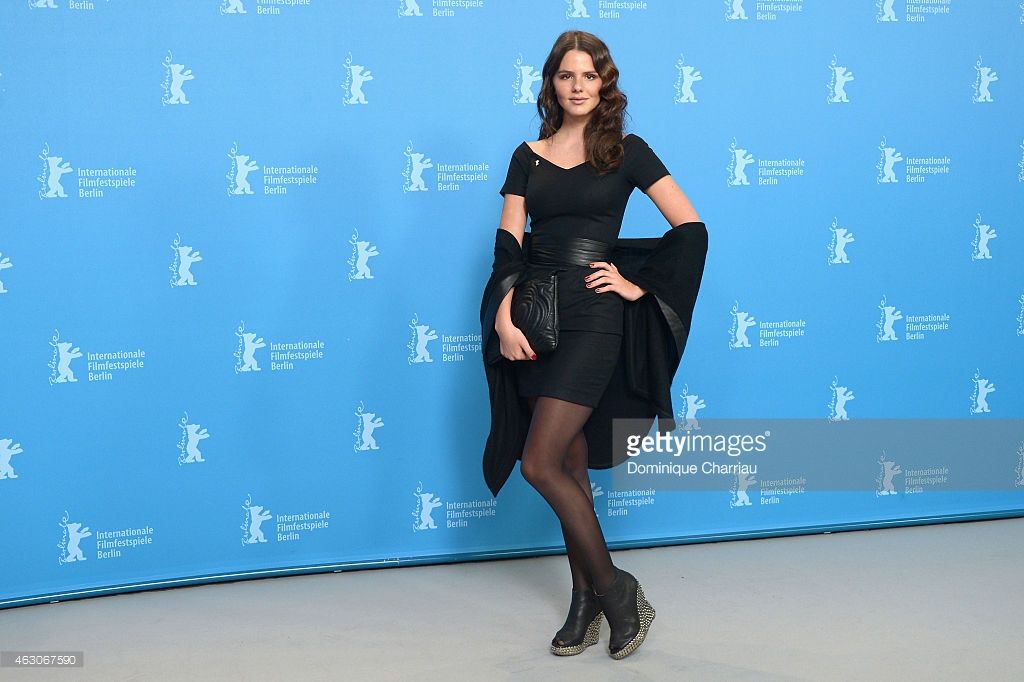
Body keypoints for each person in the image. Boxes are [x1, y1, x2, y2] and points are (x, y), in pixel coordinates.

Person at [482, 30, 704, 660]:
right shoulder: (526, 156)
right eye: (566, 75)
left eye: (589, 75)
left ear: (604, 84)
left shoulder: (627, 151)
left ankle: (615, 587)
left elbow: (690, 227)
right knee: (569, 467)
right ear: (551, 84)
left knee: (539, 463)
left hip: (595, 317)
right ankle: (585, 602)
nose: (577, 86)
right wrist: (504, 319)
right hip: (536, 317)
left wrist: (638, 285)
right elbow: (509, 246)